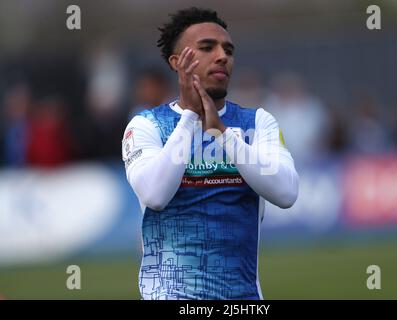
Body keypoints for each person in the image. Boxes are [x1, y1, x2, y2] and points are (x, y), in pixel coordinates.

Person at [122, 7, 299, 300]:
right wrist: (191, 116)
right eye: (207, 47)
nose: (222, 56)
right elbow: (154, 195)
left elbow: (286, 193)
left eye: (228, 49)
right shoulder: (146, 125)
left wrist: (224, 135)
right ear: (177, 62)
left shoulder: (258, 122)